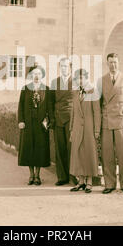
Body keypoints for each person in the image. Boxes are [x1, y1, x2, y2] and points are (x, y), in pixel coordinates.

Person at [98, 53, 123, 194]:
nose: (113, 65)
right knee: (107, 154)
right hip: (107, 120)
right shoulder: (101, 80)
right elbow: (99, 101)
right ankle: (109, 184)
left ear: (119, 63)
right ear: (107, 63)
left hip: (121, 119)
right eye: (111, 62)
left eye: (115, 62)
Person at [18, 65, 54, 186]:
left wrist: (49, 121)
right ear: (31, 76)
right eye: (34, 74)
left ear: (42, 75)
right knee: (29, 148)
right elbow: (21, 107)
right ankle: (31, 175)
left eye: (39, 74)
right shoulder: (25, 89)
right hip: (28, 124)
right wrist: (21, 121)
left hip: (41, 125)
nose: (36, 76)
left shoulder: (46, 89)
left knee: (39, 149)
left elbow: (50, 107)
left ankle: (38, 175)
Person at [69, 69, 101, 193]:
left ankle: (89, 182)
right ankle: (81, 181)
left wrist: (97, 130)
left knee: (89, 154)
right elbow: (73, 112)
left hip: (89, 129)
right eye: (78, 79)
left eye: (82, 78)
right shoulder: (76, 92)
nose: (80, 81)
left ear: (87, 78)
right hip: (77, 128)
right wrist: (71, 129)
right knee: (78, 154)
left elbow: (97, 112)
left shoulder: (93, 92)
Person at [50, 57, 77, 186]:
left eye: (66, 66)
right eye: (62, 66)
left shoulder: (76, 82)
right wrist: (52, 118)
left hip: (72, 119)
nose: (64, 69)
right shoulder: (55, 82)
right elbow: (51, 102)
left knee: (71, 147)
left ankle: (73, 175)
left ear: (71, 67)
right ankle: (62, 176)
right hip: (58, 118)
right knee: (59, 148)